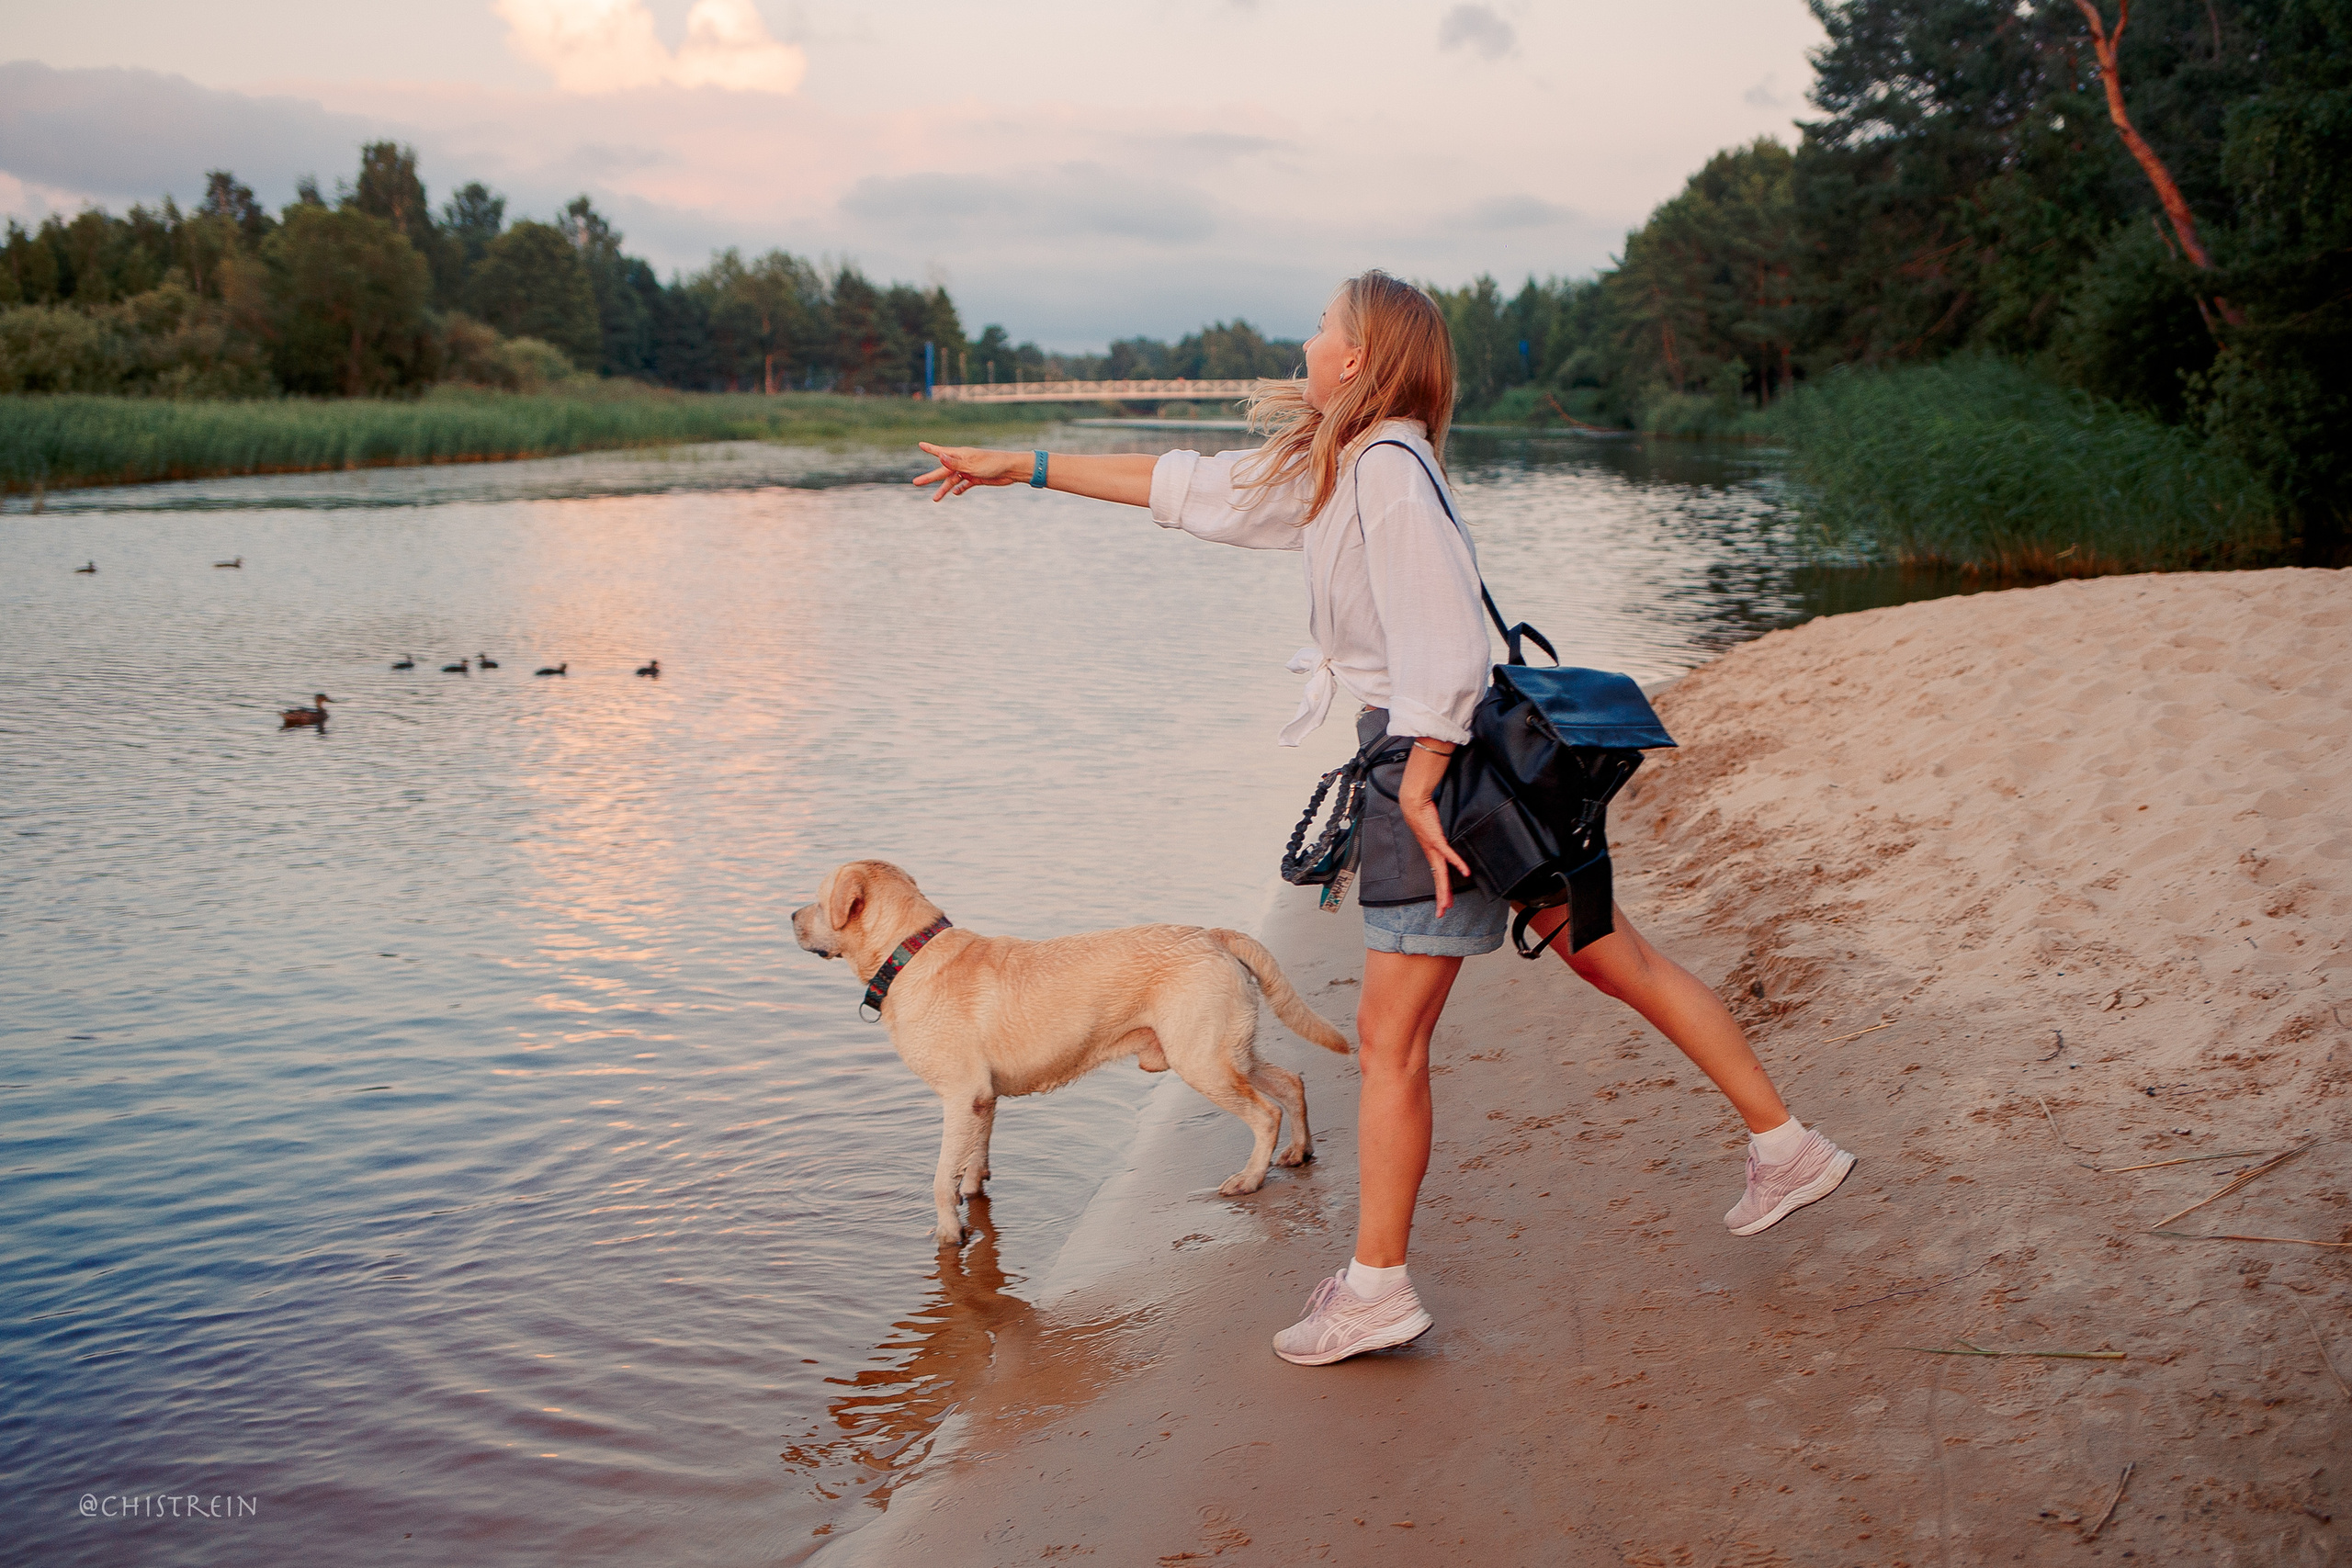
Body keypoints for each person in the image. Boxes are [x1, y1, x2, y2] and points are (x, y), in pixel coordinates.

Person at [911, 270, 1853, 1367]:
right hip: (1465, 759)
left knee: (1387, 1042)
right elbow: (1190, 486)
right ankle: (1785, 1147)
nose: (1306, 342)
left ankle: (1375, 1291)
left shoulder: (1387, 472)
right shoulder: (1349, 465)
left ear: (1358, 359)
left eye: (1322, 329)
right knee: (1609, 956)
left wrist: (1417, 776)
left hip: (1437, 765)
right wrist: (1023, 465)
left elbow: (1447, 633)